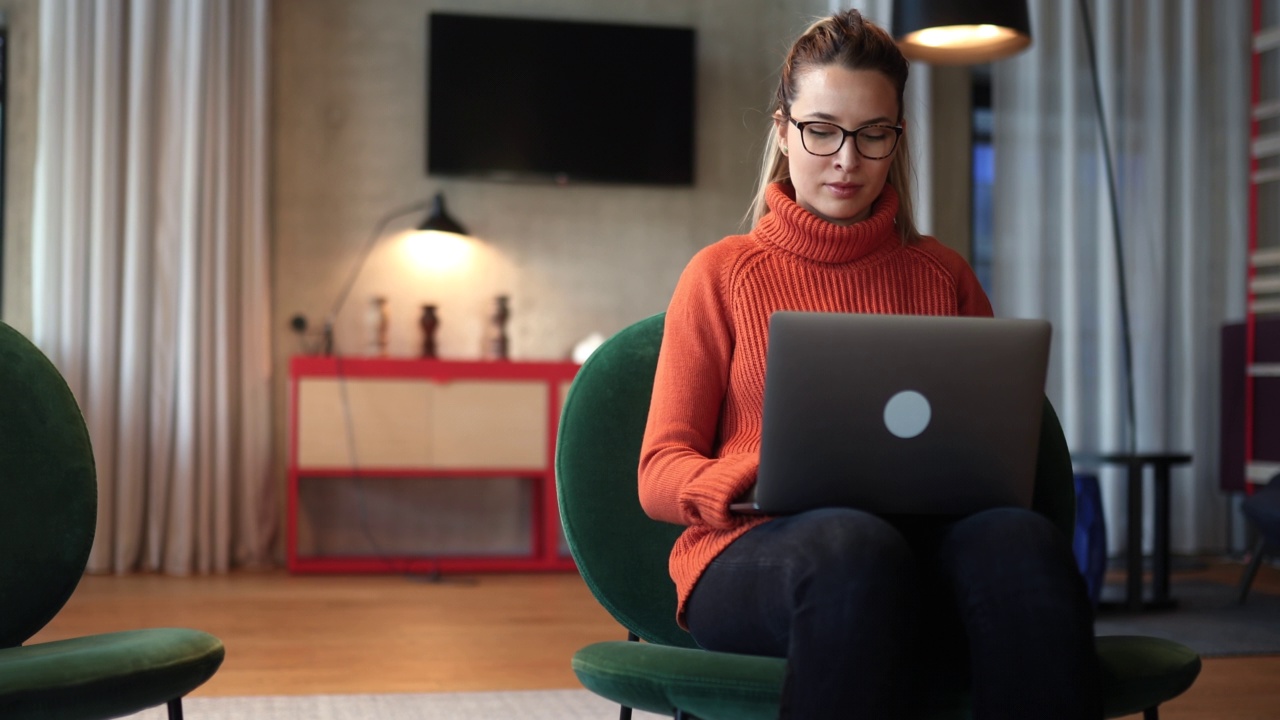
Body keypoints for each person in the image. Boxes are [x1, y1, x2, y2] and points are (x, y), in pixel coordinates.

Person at [637, 9, 1101, 720]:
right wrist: (743, 477)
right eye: (822, 130)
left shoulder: (942, 273)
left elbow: (999, 448)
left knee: (1022, 542)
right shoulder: (721, 274)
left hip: (923, 549)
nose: (847, 159)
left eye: (872, 133)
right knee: (851, 547)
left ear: (897, 137)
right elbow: (659, 470)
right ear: (783, 131)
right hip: (754, 557)